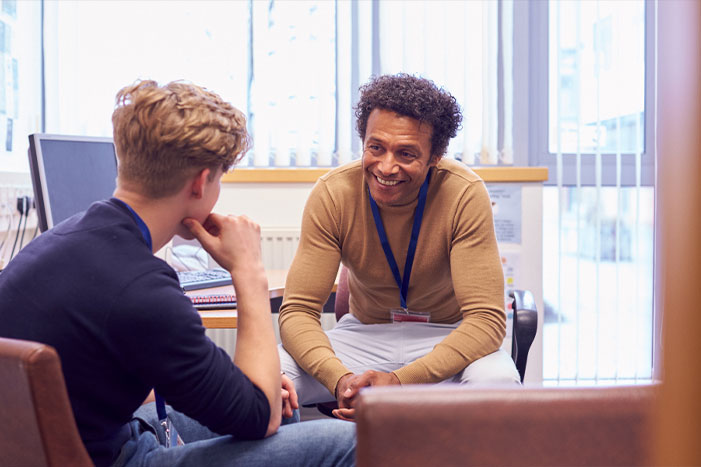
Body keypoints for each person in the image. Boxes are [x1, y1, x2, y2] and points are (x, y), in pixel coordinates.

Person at [0, 80, 355, 466]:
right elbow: (260, 417)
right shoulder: (143, 289)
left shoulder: (62, 240)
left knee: (284, 405)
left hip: (87, 441)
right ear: (201, 182)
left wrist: (248, 391)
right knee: (351, 439)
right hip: (117, 457)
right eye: (220, 179)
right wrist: (248, 271)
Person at [279, 74, 520, 421]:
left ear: (435, 156)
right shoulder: (333, 194)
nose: (386, 167)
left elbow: (486, 321)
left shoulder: (464, 193)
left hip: (446, 338)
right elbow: (298, 312)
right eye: (376, 147)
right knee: (268, 376)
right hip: (364, 337)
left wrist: (400, 382)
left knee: (498, 385)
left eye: (406, 153)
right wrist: (341, 381)